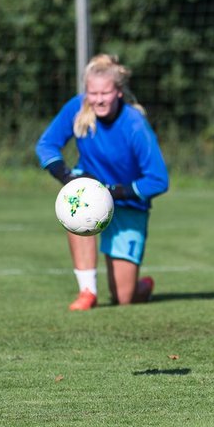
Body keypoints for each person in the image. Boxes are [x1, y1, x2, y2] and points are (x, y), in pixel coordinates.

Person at [36, 54, 170, 310]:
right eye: (92, 93)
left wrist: (114, 192)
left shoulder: (134, 124)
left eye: (105, 93)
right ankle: (87, 291)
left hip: (128, 203)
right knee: (79, 202)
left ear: (118, 92)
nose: (98, 99)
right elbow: (46, 145)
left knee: (123, 298)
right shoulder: (77, 108)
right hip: (90, 191)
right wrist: (67, 178)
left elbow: (158, 179)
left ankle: (142, 286)